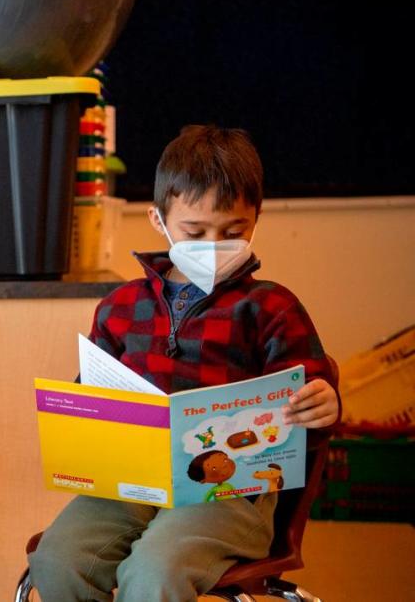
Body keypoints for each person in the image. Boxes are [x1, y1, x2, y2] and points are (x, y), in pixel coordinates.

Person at [28, 125, 339, 601]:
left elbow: (307, 417)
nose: (214, 245)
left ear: (256, 218)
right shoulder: (120, 307)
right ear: (158, 219)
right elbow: (87, 406)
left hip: (230, 494)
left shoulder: (271, 307)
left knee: (154, 572)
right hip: (130, 486)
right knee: (57, 559)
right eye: (195, 231)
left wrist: (321, 407)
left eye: (234, 231)